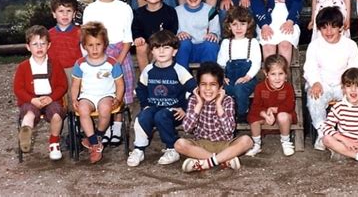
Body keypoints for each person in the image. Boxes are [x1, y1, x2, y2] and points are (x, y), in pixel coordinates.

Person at [126, 30, 197, 167]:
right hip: (154, 107)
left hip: (174, 112)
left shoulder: (179, 71)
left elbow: (195, 92)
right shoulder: (148, 70)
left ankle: (172, 148)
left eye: (166, 47)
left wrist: (185, 109)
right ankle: (139, 149)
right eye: (157, 47)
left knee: (161, 116)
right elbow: (141, 89)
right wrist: (145, 104)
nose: (162, 51)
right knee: (143, 116)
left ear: (174, 51)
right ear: (151, 51)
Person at [82, 0, 134, 145]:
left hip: (119, 53)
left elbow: (127, 38)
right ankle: (105, 127)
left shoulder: (124, 8)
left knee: (118, 90)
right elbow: (86, 37)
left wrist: (117, 61)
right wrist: (89, 61)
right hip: (96, 54)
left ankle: (117, 127)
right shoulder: (90, 9)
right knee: (103, 89)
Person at [175, 62, 253, 172]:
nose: (208, 89)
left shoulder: (227, 100)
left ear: (220, 87)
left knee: (247, 141)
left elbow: (229, 130)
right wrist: (199, 105)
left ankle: (205, 163)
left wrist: (218, 105)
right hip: (201, 145)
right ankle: (224, 160)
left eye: (213, 84)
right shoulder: (194, 100)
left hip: (225, 144)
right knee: (179, 144)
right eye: (203, 84)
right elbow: (187, 128)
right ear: (198, 87)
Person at [303, 6, 358, 151]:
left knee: (355, 97)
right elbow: (310, 67)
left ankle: (348, 134)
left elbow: (355, 69)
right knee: (314, 97)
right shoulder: (314, 45)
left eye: (333, 27)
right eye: (324, 28)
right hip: (321, 83)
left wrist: (348, 85)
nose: (328, 32)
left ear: (340, 27)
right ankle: (323, 135)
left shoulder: (350, 45)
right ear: (319, 29)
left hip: (344, 84)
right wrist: (315, 82)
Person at [71, 22, 125, 164]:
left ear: (105, 44)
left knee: (105, 108)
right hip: (87, 96)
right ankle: (95, 143)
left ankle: (98, 135)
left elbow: (120, 84)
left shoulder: (112, 63)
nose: (95, 49)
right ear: (84, 46)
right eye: (90, 45)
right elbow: (75, 84)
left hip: (106, 95)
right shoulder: (80, 63)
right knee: (82, 109)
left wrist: (118, 99)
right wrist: (74, 99)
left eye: (98, 44)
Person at [14, 25, 68, 160]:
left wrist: (51, 98)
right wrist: (32, 100)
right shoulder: (23, 67)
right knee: (29, 114)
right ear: (28, 47)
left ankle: (54, 143)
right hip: (31, 100)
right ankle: (26, 133)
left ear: (48, 45)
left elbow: (62, 86)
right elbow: (18, 89)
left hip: (51, 99)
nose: (39, 47)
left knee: (56, 115)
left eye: (43, 44)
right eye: (35, 44)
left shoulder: (55, 64)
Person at [245, 54, 297, 157]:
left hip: (284, 115)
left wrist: (274, 110)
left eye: (281, 73)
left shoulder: (288, 87)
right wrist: (265, 115)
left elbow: (289, 105)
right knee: (253, 117)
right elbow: (256, 106)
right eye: (273, 74)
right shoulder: (260, 87)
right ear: (266, 73)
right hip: (265, 115)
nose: (277, 78)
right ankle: (256, 144)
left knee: (283, 116)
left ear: (286, 74)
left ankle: (285, 141)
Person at [217, 7, 260, 122]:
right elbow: (220, 63)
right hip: (230, 78)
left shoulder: (253, 42)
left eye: (242, 24)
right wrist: (222, 76)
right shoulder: (226, 43)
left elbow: (256, 63)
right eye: (234, 24)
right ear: (229, 26)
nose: (239, 28)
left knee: (240, 89)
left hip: (247, 79)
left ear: (248, 25)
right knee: (221, 89)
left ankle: (242, 113)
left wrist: (247, 77)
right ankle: (226, 115)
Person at [132, 0, 179, 73]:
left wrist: (158, 43)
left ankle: (157, 74)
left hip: (163, 44)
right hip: (146, 45)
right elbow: (136, 29)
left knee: (159, 48)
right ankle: (145, 77)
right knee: (140, 47)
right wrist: (138, 37)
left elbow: (172, 31)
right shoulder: (138, 13)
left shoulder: (170, 11)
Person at [175, 0, 221, 69]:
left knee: (211, 44)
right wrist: (178, 34)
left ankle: (208, 76)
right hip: (185, 50)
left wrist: (213, 34)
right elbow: (172, 33)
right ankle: (183, 79)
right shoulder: (176, 11)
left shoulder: (210, 11)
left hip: (203, 49)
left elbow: (215, 31)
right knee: (183, 42)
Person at [48, 0, 82, 109]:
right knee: (58, 102)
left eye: (68, 11)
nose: (65, 14)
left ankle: (77, 119)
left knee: (75, 100)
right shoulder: (48, 35)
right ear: (54, 13)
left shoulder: (80, 32)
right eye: (61, 11)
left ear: (74, 13)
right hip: (56, 70)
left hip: (75, 70)